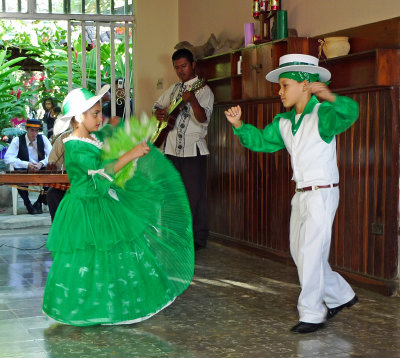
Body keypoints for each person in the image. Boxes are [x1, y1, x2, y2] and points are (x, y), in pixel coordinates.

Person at [224, 54, 359, 333]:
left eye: (284, 85)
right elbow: (262, 141)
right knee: (302, 254)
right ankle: (341, 295)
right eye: (280, 86)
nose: (280, 91)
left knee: (309, 253)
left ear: (306, 85)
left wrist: (329, 96)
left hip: (322, 194)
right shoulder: (284, 122)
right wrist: (239, 126)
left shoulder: (322, 114)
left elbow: (350, 113)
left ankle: (312, 313)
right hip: (300, 194)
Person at [42, 85, 194, 326]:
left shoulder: (87, 138)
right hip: (85, 208)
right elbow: (102, 171)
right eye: (94, 114)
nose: (99, 117)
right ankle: (86, 307)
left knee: (109, 254)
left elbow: (99, 146)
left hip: (99, 203)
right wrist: (132, 153)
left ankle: (108, 301)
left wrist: (111, 128)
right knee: (88, 256)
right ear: (79, 117)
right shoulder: (74, 145)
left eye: (98, 112)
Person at [153, 48, 214, 250]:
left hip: (193, 151)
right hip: (170, 149)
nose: (181, 71)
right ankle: (174, 235)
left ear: (193, 65)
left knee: (194, 196)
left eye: (184, 66)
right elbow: (157, 106)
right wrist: (160, 113)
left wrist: (193, 100)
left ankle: (197, 238)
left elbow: (203, 118)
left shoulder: (204, 91)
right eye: (177, 67)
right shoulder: (172, 89)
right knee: (172, 194)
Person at [4, 118, 52, 214]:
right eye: (32, 130)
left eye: (37, 131)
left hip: (40, 168)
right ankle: (28, 204)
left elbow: (52, 155)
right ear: (26, 129)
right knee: (17, 177)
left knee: (52, 176)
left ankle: (39, 202)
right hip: (24, 169)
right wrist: (26, 164)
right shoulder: (17, 140)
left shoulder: (43, 139)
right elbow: (7, 158)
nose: (34, 133)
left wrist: (41, 163)